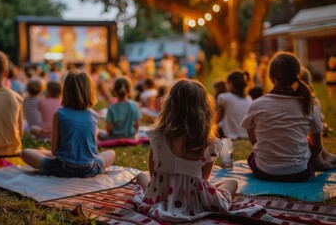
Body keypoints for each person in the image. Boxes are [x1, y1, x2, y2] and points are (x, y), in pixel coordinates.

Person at [133, 79, 262, 222]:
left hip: (161, 194)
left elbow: (153, 172)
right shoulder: (208, 142)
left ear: (170, 105)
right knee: (233, 183)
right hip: (193, 199)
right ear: (205, 109)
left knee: (141, 176)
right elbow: (204, 179)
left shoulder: (157, 136)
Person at [241, 52, 336, 182]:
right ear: (298, 76)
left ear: (271, 78)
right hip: (299, 172)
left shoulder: (257, 104)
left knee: (252, 156)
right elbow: (317, 148)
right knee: (306, 141)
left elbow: (253, 140)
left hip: (263, 171)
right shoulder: (309, 105)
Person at [21, 69, 116, 178]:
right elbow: (92, 150)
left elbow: (55, 151)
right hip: (90, 169)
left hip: (62, 168)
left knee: (26, 153)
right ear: (90, 91)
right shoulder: (94, 115)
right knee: (111, 153)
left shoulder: (60, 114)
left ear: (65, 91)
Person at [217, 71, 252, 139]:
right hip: (247, 135)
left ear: (230, 83)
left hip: (230, 136)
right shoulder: (249, 98)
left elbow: (218, 118)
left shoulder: (224, 97)